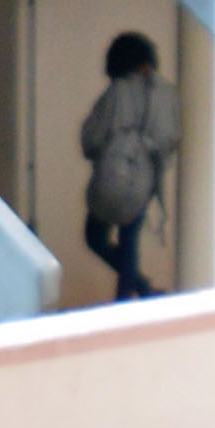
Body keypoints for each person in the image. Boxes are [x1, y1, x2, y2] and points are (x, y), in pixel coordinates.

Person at [76, 28, 175, 298]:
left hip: (113, 175)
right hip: (146, 179)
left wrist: (102, 153)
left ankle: (135, 293)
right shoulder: (166, 94)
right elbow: (170, 137)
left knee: (95, 237)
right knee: (129, 239)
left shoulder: (118, 91)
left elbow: (92, 137)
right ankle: (136, 294)